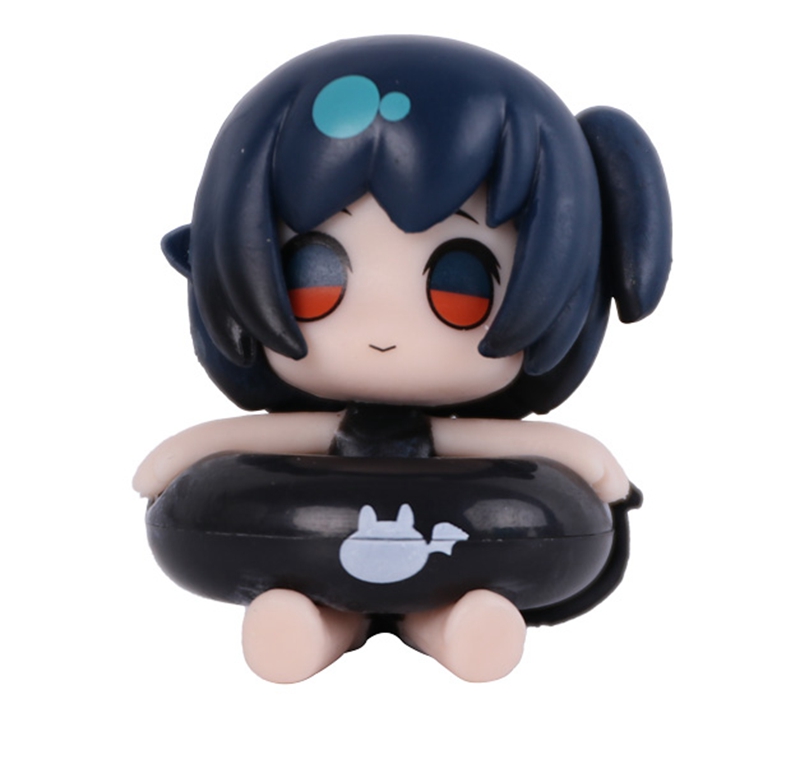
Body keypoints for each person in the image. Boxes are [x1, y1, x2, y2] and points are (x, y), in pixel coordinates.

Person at [135, 35, 671, 683]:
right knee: (308, 594)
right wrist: (183, 455)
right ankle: (306, 627)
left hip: (450, 550)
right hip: (314, 546)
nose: (382, 328)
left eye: (459, 287)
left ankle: (457, 629)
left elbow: (507, 448)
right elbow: (268, 439)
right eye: (316, 279)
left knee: (455, 596)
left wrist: (585, 459)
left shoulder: (465, 433)